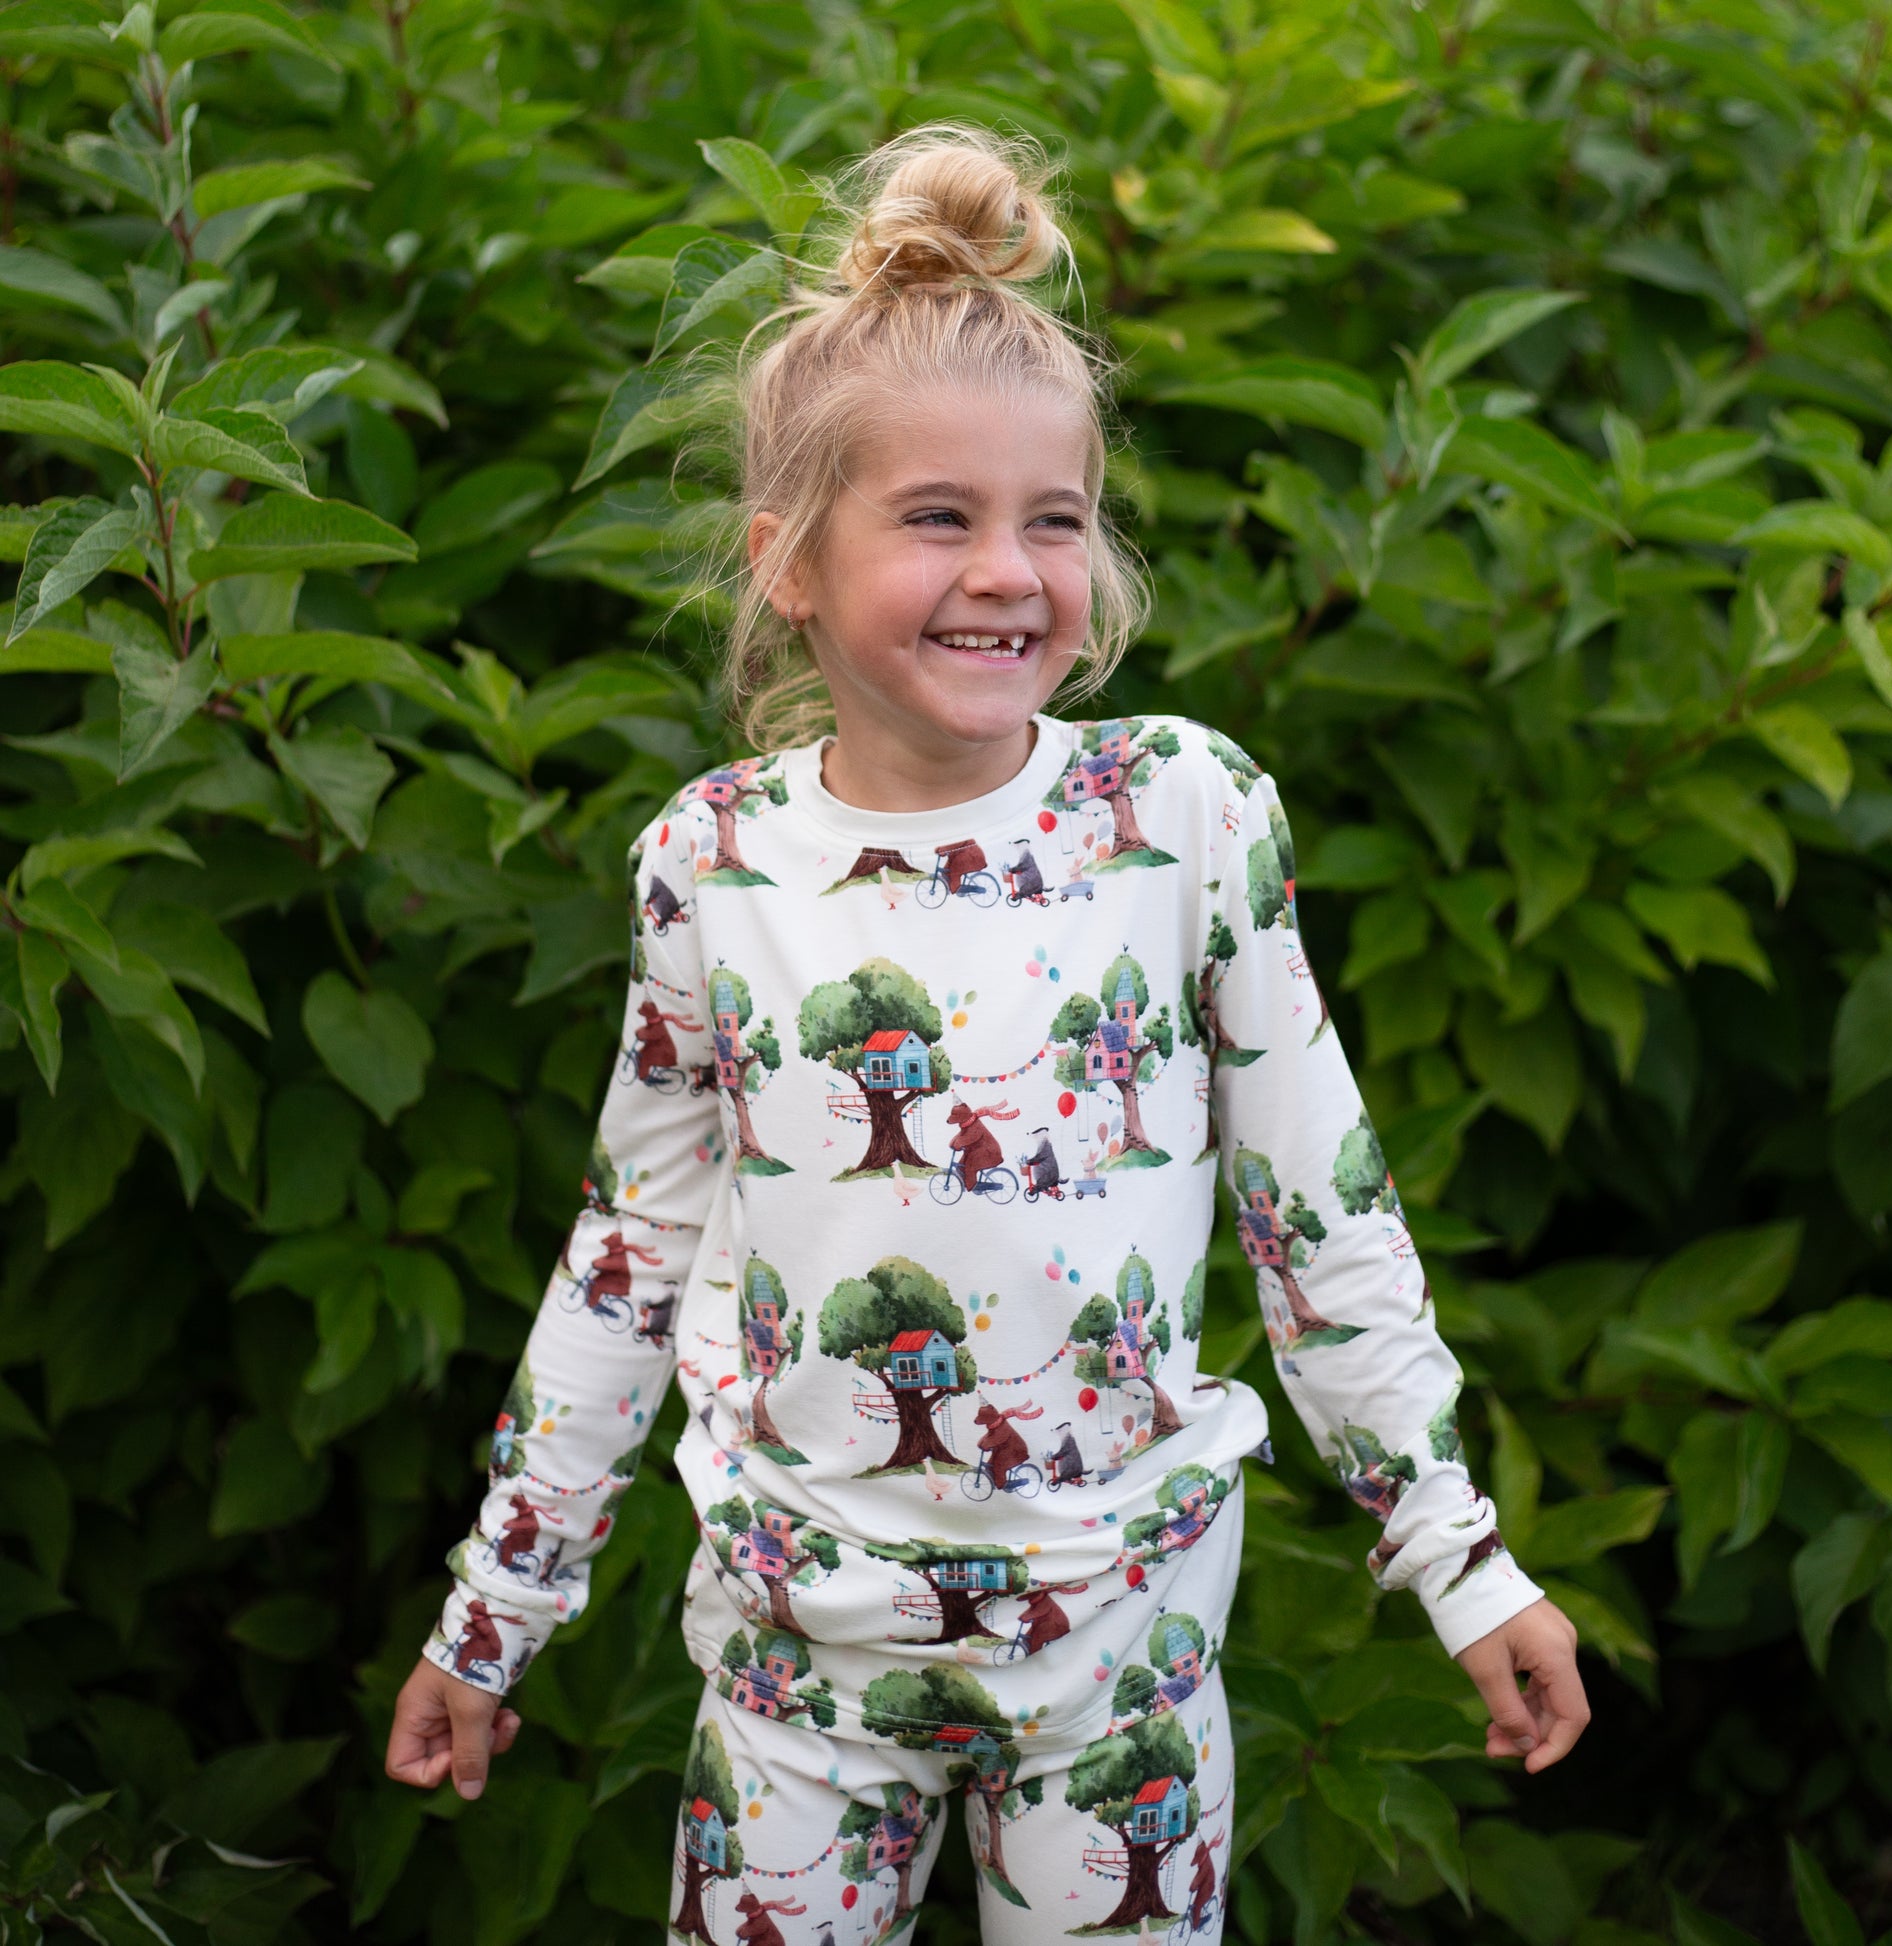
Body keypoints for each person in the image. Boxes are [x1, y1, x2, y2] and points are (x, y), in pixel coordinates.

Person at [387, 124, 1589, 1937]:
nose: (1009, 570)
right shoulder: (712, 865)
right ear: (790, 563)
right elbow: (629, 1258)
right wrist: (500, 1604)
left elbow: (1314, 1203)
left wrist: (1455, 1551)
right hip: (804, 1663)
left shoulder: (1182, 818)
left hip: (1123, 1650)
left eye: (1057, 516)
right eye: (937, 516)